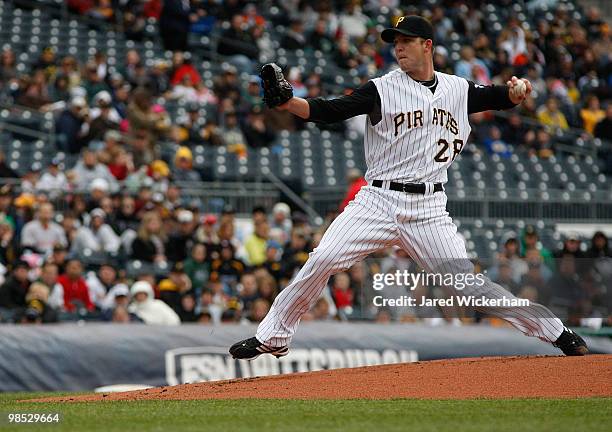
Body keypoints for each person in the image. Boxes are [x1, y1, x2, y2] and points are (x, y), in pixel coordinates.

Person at [230, 16, 587, 360]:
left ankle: (555, 331)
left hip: (429, 209)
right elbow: (330, 110)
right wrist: (289, 103)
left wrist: (516, 91)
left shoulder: (457, 88)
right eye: (395, 43)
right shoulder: (382, 88)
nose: (398, 49)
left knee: (467, 285)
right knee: (323, 258)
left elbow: (499, 97)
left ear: (427, 45)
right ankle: (273, 337)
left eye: (405, 42)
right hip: (377, 201)